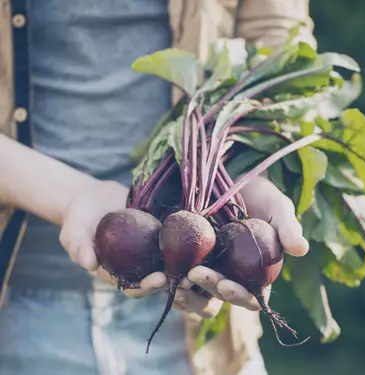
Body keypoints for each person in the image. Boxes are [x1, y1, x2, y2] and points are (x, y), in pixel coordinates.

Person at [0, 1, 316, 374]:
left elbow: (275, 38)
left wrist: (247, 176)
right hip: (15, 314)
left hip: (203, 345)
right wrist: (71, 197)